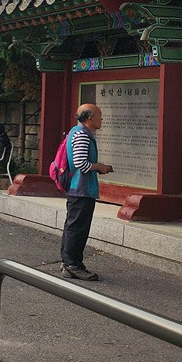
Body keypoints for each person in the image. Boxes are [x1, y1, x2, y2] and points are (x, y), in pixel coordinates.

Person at [60, 103, 114, 280]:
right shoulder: (82, 135)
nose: (102, 119)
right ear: (90, 118)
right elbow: (81, 164)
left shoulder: (77, 132)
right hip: (80, 189)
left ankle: (68, 263)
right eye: (99, 115)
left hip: (77, 188)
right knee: (78, 228)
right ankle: (73, 265)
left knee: (73, 226)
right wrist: (100, 166)